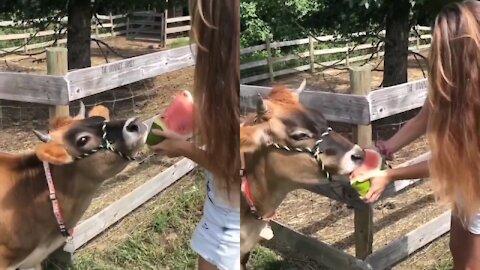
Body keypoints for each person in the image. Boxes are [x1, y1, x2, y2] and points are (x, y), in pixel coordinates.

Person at [353, 1, 480, 269]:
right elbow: (426, 116)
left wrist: (388, 174)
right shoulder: (455, 79)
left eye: (446, 47)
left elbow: (456, 162)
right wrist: (385, 148)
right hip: (467, 183)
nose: (438, 53)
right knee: (458, 248)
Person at [148, 0, 240, 270]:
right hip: (219, 208)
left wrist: (182, 148)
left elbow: (234, 168)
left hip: (229, 219)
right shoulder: (222, 75)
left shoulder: (230, 78)